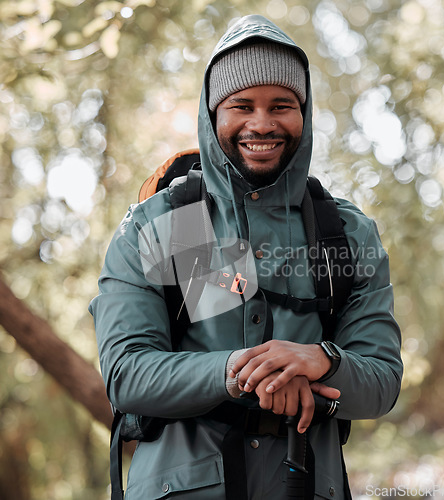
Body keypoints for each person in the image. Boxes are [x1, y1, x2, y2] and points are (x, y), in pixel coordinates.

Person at [90, 14, 403, 500]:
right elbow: (127, 372)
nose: (262, 124)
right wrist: (241, 372)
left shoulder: (344, 234)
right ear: (213, 114)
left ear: (305, 113)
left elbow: (381, 381)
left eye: (282, 105)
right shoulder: (171, 223)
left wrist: (321, 361)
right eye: (242, 105)